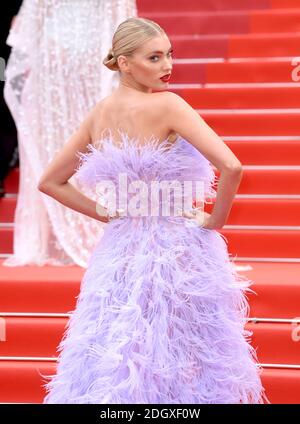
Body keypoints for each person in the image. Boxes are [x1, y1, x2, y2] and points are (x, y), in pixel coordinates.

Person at [38, 17, 269, 404]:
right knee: (180, 345)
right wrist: (216, 220)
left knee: (120, 342)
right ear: (125, 63)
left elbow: (50, 182)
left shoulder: (101, 113)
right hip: (177, 244)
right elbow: (232, 167)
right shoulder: (168, 105)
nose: (167, 66)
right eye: (155, 57)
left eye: (169, 55)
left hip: (120, 247)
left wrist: (104, 213)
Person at [3, 0, 137, 267]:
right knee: (75, 140)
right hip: (71, 57)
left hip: (68, 55)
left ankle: (86, 225)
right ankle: (70, 228)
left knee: (80, 139)